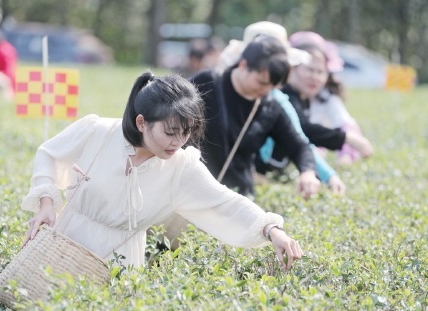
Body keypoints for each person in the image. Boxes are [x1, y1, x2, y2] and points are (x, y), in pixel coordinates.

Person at [22, 71, 303, 271]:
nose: (178, 142)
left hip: (118, 264)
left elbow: (226, 202)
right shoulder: (99, 131)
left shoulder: (181, 167)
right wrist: (46, 203)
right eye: (170, 132)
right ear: (142, 122)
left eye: (186, 132)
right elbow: (49, 154)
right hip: (64, 244)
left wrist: (271, 229)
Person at [190, 34, 321, 198]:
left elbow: (299, 146)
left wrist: (308, 173)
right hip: (191, 188)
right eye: (261, 82)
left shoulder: (270, 106)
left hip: (236, 196)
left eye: (273, 86)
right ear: (244, 65)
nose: (266, 90)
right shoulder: (207, 83)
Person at [280, 33, 374, 160]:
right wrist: (345, 138)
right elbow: (303, 128)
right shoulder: (283, 96)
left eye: (320, 72)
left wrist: (347, 153)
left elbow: (344, 122)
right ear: (292, 68)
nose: (315, 77)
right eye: (310, 70)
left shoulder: (321, 96)